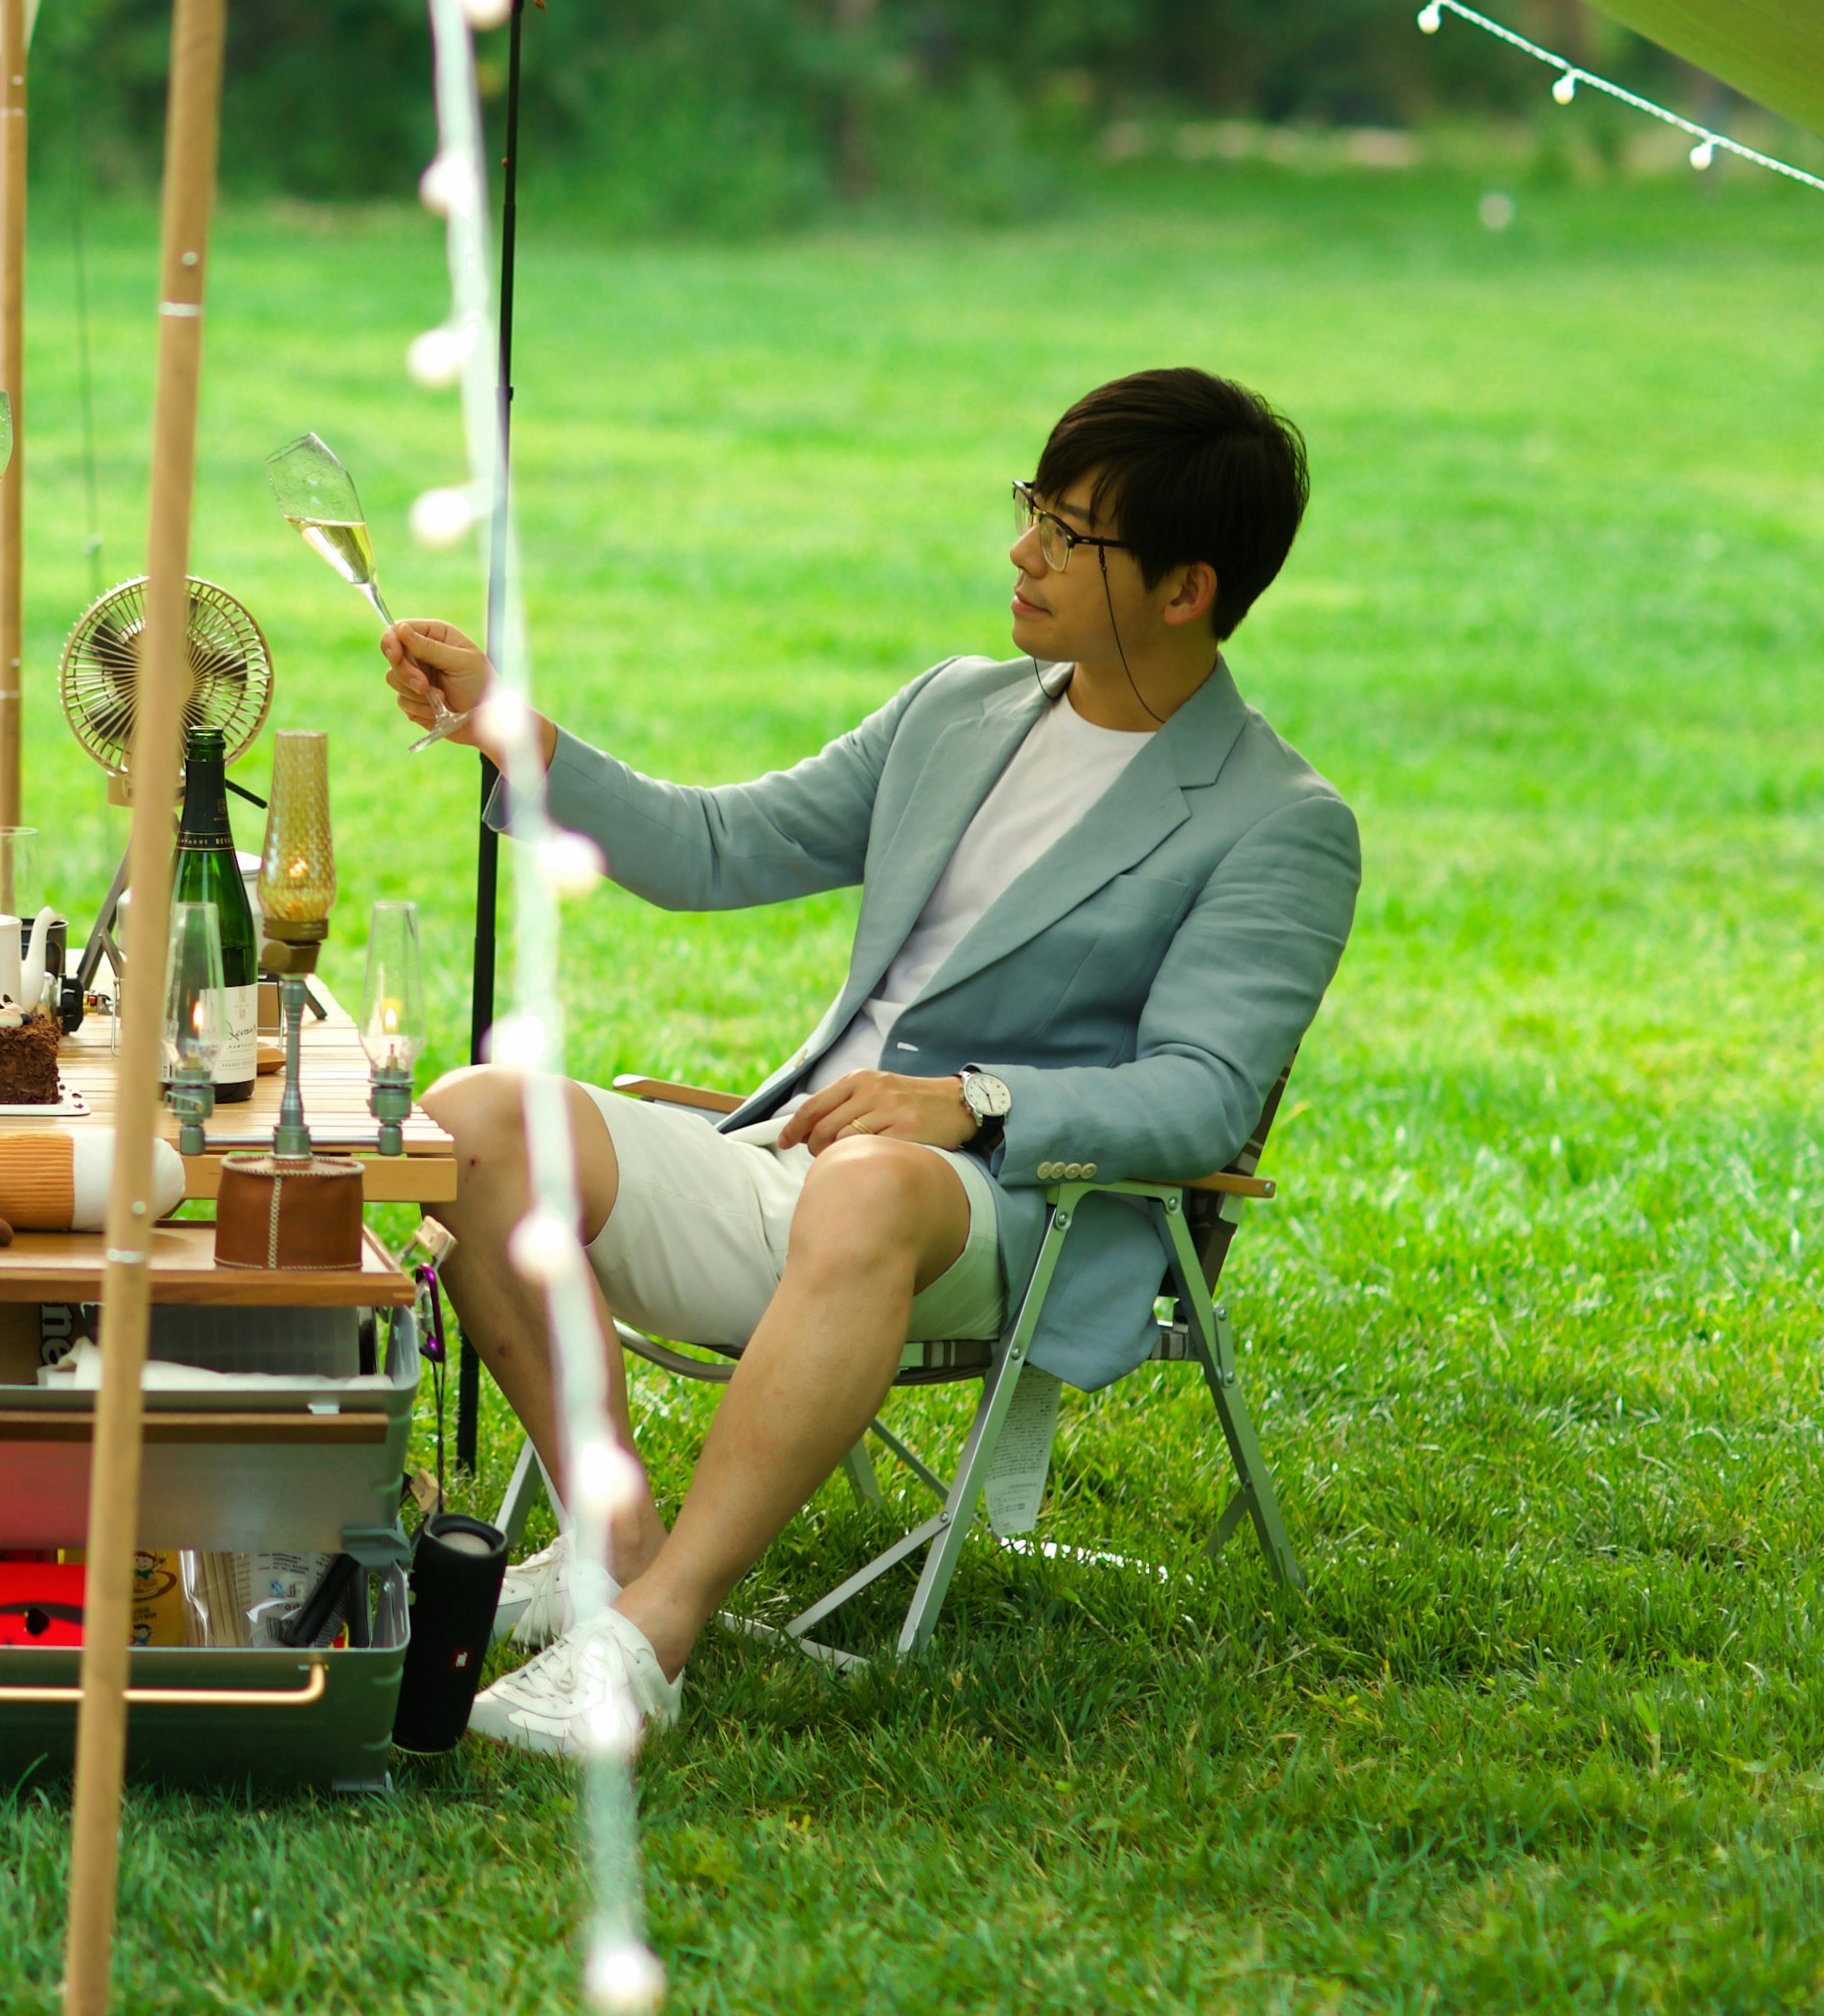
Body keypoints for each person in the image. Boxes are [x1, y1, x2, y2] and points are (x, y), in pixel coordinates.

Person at [376, 367, 1357, 1755]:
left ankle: (652, 1642)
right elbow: (717, 848)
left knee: (872, 1184)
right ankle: (612, 1545)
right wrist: (514, 736)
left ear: (1186, 589)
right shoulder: (960, 707)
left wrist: (970, 1104)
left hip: (1001, 1209)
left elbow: (1202, 1090)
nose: (1024, 549)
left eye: (1069, 533)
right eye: (1034, 508)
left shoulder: (1278, 822)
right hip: (796, 1157)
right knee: (473, 1118)